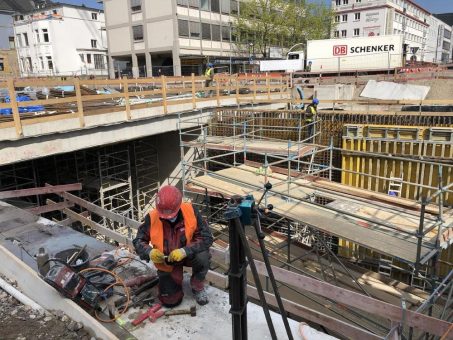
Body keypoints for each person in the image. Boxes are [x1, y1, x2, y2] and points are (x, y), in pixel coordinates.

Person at [133, 185, 213, 307]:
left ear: (179, 206)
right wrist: (149, 252)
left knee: (203, 256)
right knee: (170, 302)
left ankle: (197, 284)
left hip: (188, 255)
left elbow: (206, 238)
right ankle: (173, 281)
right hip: (167, 261)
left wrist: (185, 251)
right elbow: (138, 240)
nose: (168, 218)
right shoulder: (152, 217)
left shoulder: (191, 211)